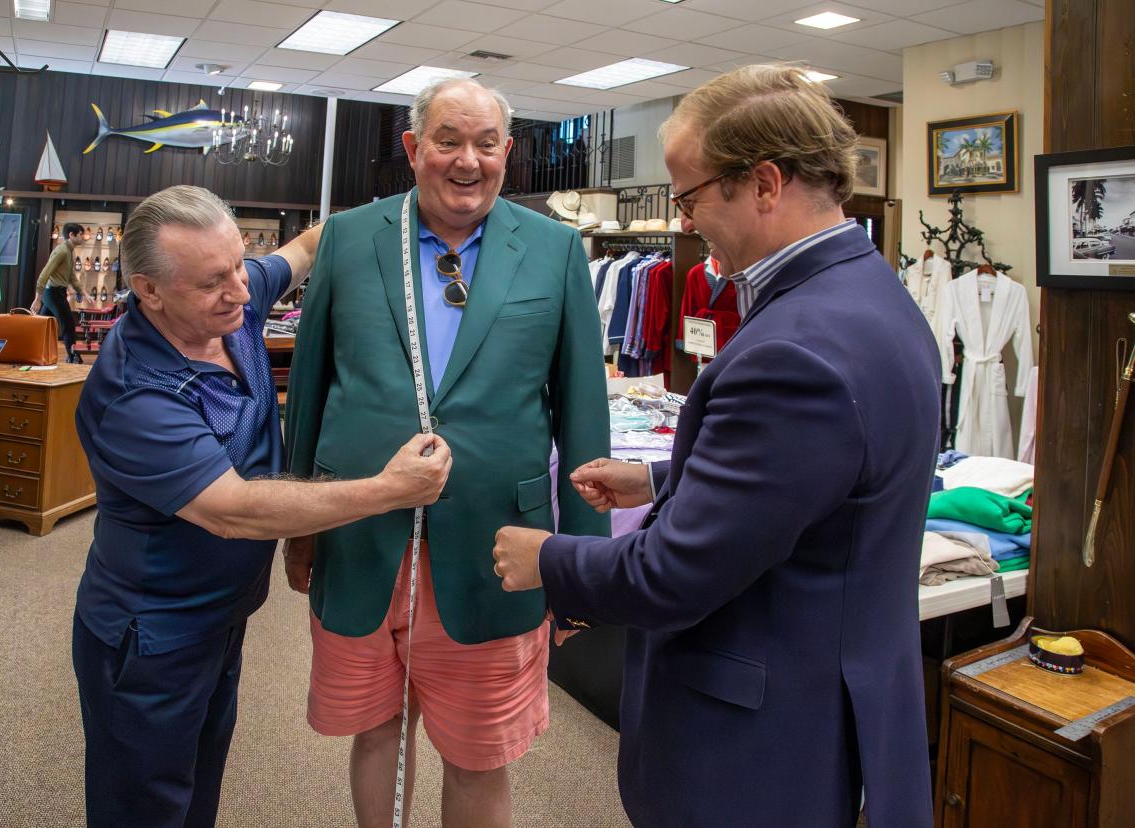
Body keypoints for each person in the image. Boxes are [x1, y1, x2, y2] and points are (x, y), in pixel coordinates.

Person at [492, 65, 940, 828]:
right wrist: (667, 478)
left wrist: (546, 559)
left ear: (764, 183)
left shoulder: (794, 348)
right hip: (830, 694)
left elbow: (673, 575)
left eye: (689, 196)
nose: (687, 222)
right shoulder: (875, 294)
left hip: (758, 740)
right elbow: (814, 483)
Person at [72, 185, 454, 828]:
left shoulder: (223, 301)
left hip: (220, 615)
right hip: (150, 637)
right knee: (144, 805)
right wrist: (388, 490)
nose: (243, 292)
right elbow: (233, 510)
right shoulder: (134, 393)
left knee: (196, 787)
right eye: (215, 282)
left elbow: (307, 245)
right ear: (149, 289)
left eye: (238, 269)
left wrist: (416, 201)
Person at [282, 79, 610, 828]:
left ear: (508, 151)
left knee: (478, 752)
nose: (469, 161)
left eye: (487, 144)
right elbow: (310, 389)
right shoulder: (351, 238)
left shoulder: (556, 251)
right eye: (449, 141)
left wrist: (585, 566)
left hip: (498, 549)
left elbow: (584, 416)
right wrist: (298, 527)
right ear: (413, 149)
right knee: (375, 729)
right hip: (359, 536)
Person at [30, 222, 86, 363]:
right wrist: (38, 298)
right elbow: (45, 273)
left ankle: (33, 352)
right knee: (68, 325)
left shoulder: (70, 251)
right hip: (53, 293)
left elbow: (71, 275)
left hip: (56, 293)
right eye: (80, 234)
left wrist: (83, 292)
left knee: (43, 326)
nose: (83, 238)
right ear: (71, 235)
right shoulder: (61, 251)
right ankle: (73, 357)